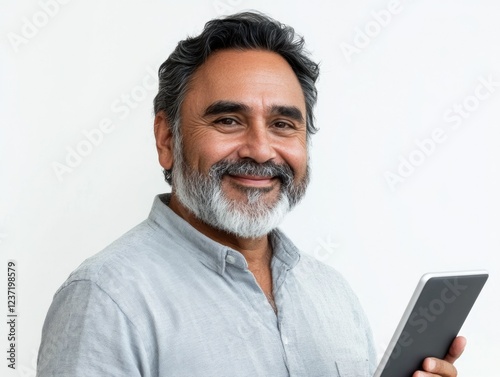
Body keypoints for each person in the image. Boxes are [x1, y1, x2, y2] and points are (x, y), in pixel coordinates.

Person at [37, 11, 466, 377]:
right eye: (227, 120)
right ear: (167, 139)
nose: (261, 150)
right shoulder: (105, 298)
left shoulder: (332, 293)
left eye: (282, 124)